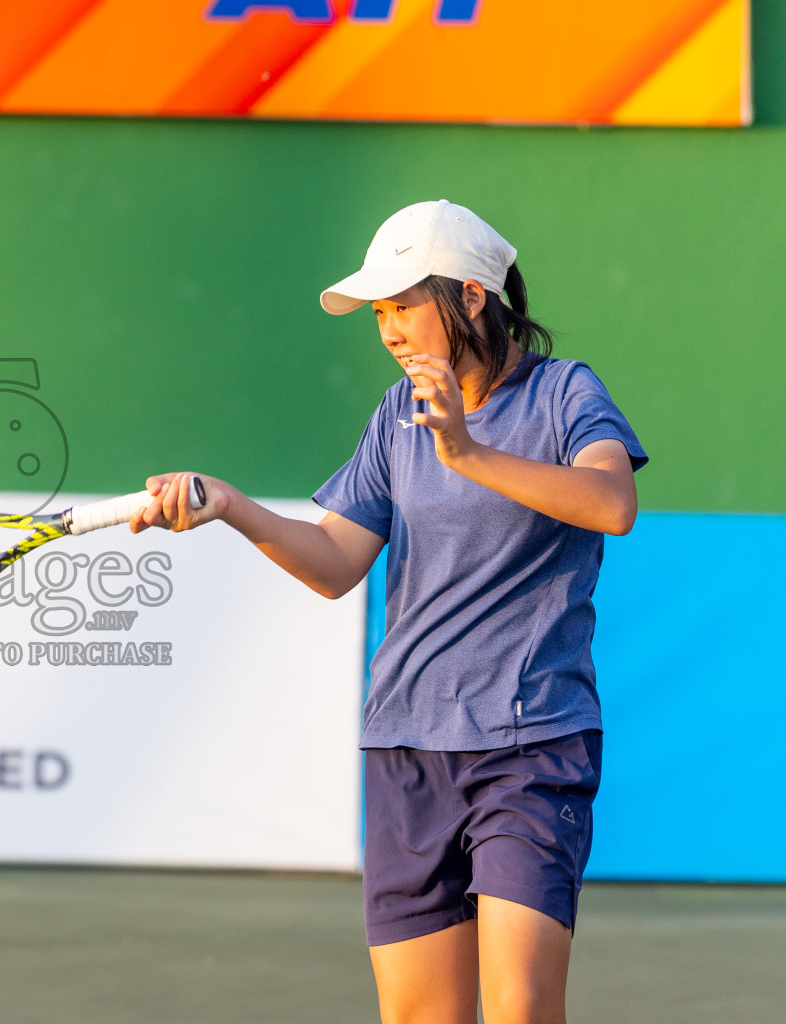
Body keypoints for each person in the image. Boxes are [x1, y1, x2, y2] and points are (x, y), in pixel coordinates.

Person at [132, 199, 645, 1024]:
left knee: (519, 1007)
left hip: (531, 747)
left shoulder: (563, 394)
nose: (390, 330)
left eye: (406, 304)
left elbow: (612, 503)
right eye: (380, 312)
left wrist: (469, 454)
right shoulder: (396, 418)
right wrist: (231, 505)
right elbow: (336, 562)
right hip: (406, 746)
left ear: (473, 298)